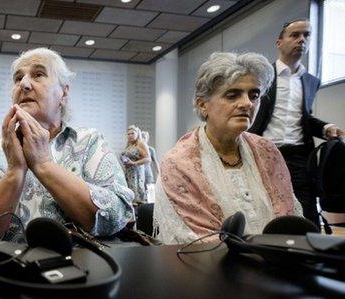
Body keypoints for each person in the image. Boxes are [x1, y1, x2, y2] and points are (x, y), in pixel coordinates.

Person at [0, 48, 134, 242]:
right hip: (7, 268)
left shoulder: (89, 142)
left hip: (82, 268)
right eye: (18, 78)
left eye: (38, 74)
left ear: (64, 93)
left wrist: (43, 165)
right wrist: (14, 172)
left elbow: (117, 216)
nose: (23, 84)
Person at [154, 52, 301, 245]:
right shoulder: (179, 163)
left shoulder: (267, 151)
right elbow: (193, 240)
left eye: (254, 95)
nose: (247, 103)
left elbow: (289, 219)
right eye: (232, 95)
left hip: (276, 264)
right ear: (202, 104)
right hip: (210, 270)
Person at [248, 19, 344, 226]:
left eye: (306, 35)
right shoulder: (263, 76)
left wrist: (326, 128)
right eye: (295, 35)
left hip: (300, 156)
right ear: (279, 42)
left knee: (306, 210)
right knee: (262, 206)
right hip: (264, 153)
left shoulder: (310, 80)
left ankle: (308, 253)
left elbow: (304, 117)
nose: (301, 40)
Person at [121, 125, 150, 204]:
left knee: (137, 194)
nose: (130, 135)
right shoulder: (129, 145)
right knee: (129, 194)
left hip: (137, 173)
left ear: (137, 134)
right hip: (128, 172)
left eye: (132, 133)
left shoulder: (140, 144)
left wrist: (134, 163)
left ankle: (139, 212)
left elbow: (147, 159)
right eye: (128, 134)